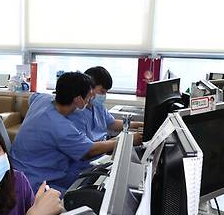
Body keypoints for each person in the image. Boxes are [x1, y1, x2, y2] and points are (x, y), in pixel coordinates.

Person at [10, 71, 140, 194]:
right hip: (33, 179)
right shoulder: (61, 128)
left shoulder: (42, 99)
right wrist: (126, 140)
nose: (92, 97)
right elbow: (89, 151)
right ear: (78, 99)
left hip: (19, 167)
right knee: (75, 204)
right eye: (89, 95)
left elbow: (32, 97)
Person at [68, 66, 142, 141]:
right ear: (89, 88)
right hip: (96, 149)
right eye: (102, 91)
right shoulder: (77, 112)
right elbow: (89, 148)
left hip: (102, 145)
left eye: (106, 92)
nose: (103, 96)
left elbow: (112, 123)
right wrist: (125, 140)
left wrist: (140, 125)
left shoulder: (98, 106)